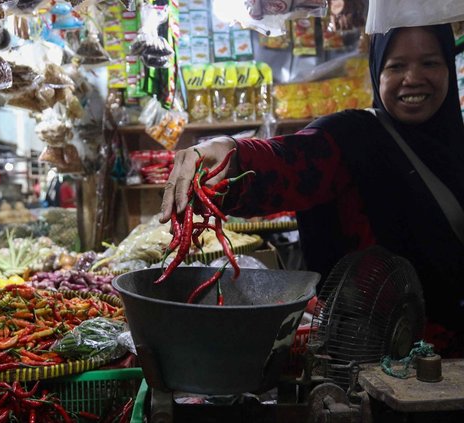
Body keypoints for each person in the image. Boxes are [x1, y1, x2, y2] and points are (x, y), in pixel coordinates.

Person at [160, 24, 464, 355]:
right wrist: (227, 154)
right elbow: (286, 162)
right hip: (371, 364)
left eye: (430, 63)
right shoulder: (353, 139)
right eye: (396, 66)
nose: (413, 78)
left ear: (450, 66)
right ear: (377, 71)